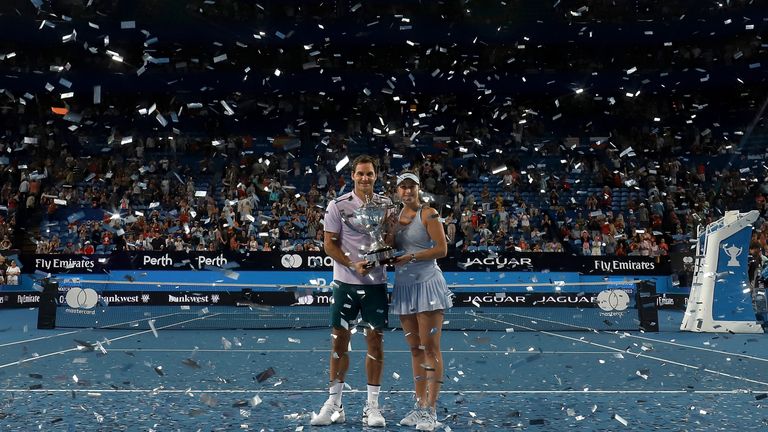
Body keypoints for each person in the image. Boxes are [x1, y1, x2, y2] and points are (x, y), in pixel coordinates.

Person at [311, 155, 391, 428]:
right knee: (338, 344)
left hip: (376, 285)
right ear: (353, 176)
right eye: (360, 174)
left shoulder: (386, 206)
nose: (365, 178)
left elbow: (391, 242)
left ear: (375, 176)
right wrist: (352, 264)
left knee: (375, 343)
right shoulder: (337, 205)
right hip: (344, 283)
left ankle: (372, 407)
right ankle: (334, 404)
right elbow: (329, 245)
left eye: (369, 173)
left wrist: (378, 259)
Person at [388, 172, 452, 431]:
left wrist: (411, 258)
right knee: (415, 348)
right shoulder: (393, 218)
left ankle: (431, 411)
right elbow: (389, 246)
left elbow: (442, 249)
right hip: (404, 287)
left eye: (411, 187)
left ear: (418, 189)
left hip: (428, 286)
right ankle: (419, 405)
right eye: (402, 187)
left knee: (430, 348)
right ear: (397, 191)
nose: (407, 191)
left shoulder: (430, 213)